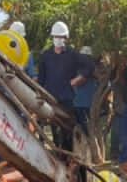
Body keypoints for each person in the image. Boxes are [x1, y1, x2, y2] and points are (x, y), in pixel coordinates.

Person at [37, 21, 93, 150]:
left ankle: (68, 156)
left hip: (67, 99)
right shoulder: (46, 56)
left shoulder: (72, 55)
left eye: (61, 37)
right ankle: (58, 153)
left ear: (65, 38)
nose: (58, 39)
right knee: (54, 130)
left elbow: (89, 66)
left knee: (67, 130)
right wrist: (39, 95)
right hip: (50, 98)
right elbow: (41, 79)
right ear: (52, 38)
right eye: (56, 36)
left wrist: (78, 79)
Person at [73, 46, 98, 134]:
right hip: (84, 103)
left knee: (83, 126)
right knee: (85, 127)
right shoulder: (90, 68)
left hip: (81, 103)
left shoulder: (83, 68)